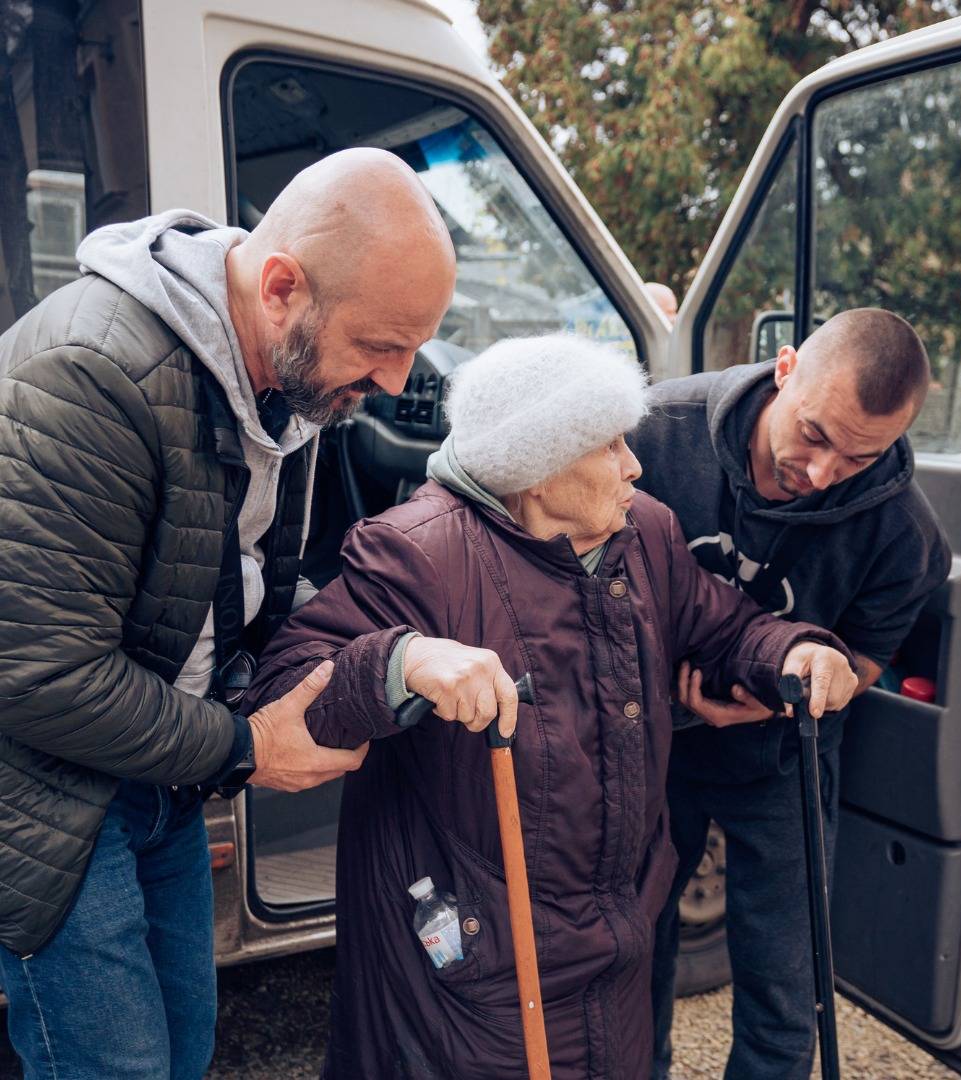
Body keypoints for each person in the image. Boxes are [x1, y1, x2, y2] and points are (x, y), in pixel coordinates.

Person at [244, 333, 860, 1080]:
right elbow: (285, 698)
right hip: (477, 967)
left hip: (615, 938)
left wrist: (793, 652)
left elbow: (725, 625)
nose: (634, 464)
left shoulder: (645, 532)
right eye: (608, 446)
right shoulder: (417, 552)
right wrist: (403, 662)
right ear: (534, 467)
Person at [0, 148, 464, 1079]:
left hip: (158, 779)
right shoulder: (94, 374)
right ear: (282, 286)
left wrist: (395, 651)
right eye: (381, 345)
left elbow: (248, 587)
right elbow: (36, 675)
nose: (393, 379)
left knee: (185, 1052)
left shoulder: (279, 388)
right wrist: (250, 748)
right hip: (49, 797)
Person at [633, 308, 952, 1080]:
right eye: (813, 434)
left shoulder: (905, 533)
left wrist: (774, 702)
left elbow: (871, 658)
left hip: (784, 758)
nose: (821, 473)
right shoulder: (655, 430)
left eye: (857, 457)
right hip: (649, 735)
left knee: (783, 985)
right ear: (784, 368)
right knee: (634, 949)